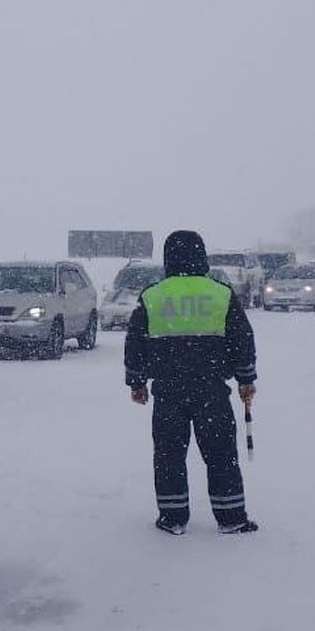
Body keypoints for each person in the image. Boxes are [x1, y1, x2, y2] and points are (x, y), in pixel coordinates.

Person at [124, 230, 258, 536]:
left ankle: (173, 518)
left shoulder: (153, 295)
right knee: (221, 454)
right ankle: (231, 518)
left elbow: (135, 342)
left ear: (167, 258)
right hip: (212, 390)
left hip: (168, 392)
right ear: (202, 256)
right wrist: (246, 378)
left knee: (169, 456)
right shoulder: (220, 293)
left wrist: (137, 381)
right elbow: (241, 339)